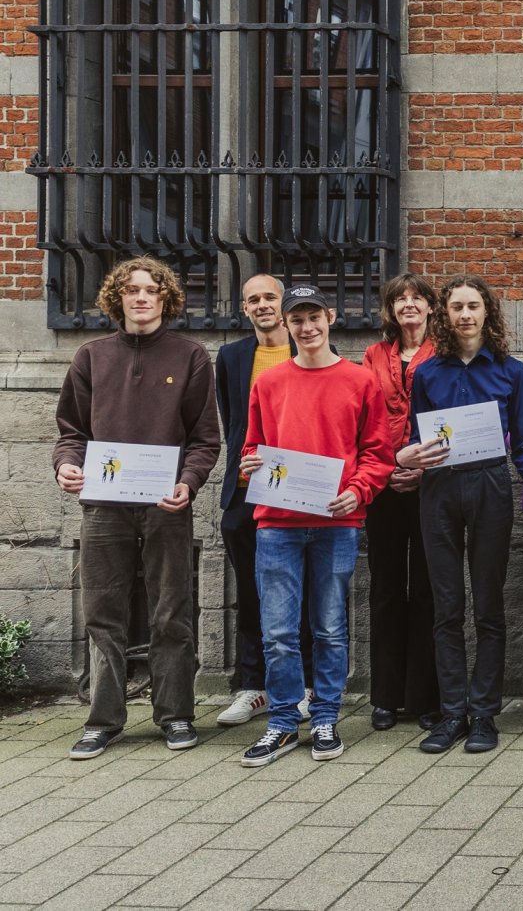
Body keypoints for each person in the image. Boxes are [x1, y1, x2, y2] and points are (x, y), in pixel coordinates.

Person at [54, 257, 221, 760]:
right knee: (103, 612)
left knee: (172, 611)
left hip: (166, 503)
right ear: (117, 298)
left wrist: (188, 483)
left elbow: (204, 440)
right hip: (104, 506)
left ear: (166, 299)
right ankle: (103, 721)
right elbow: (71, 432)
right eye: (131, 290)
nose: (141, 297)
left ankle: (175, 715)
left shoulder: (190, 357)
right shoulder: (91, 356)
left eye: (151, 290)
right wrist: (66, 465)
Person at [238, 285, 391, 767]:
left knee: (329, 629)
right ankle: (283, 722)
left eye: (314, 317)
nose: (307, 328)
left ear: (330, 318)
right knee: (278, 632)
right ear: (286, 325)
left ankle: (325, 717)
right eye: (297, 320)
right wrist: (249, 464)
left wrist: (360, 490)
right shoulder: (268, 383)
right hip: (277, 524)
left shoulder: (360, 380)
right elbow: (252, 446)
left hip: (336, 520)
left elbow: (378, 452)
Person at [399, 275, 523, 754]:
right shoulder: (426, 374)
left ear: (487, 312)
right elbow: (415, 439)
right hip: (438, 489)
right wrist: (408, 456)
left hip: (489, 485)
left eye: (473, 306)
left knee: (488, 605)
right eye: (456, 306)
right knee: (446, 607)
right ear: (445, 313)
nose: (464, 315)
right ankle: (451, 713)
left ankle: (484, 714)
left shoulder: (511, 372)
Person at [214, 273, 313, 728]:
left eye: (270, 297)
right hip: (245, 493)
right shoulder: (232, 357)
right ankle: (253, 687)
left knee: (303, 590)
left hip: (298, 493)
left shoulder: (310, 347)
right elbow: (233, 421)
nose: (262, 305)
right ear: (245, 308)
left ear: (284, 303)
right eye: (253, 299)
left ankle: (306, 685)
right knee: (251, 593)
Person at [361, 273, 441, 732]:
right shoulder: (373, 356)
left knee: (429, 589)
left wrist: (424, 468)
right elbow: (364, 417)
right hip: (383, 483)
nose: (408, 304)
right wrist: (389, 466)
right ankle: (386, 698)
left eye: (417, 298)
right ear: (390, 309)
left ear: (430, 306)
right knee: (386, 589)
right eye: (400, 299)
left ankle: (424, 697)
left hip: (433, 484)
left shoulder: (445, 353)